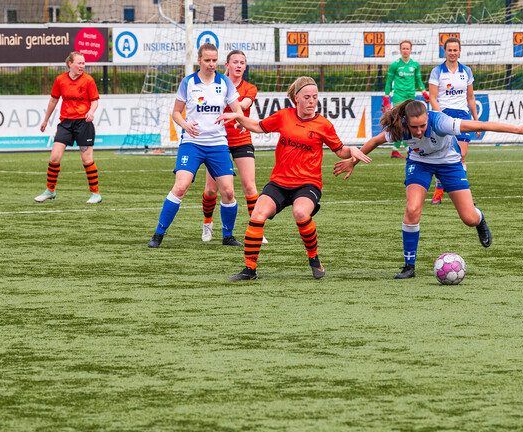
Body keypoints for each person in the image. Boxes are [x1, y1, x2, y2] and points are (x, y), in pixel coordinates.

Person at [333, 99, 523, 279]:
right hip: (420, 163)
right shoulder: (400, 126)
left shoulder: (442, 122)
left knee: (469, 218)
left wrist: (519, 129)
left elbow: (480, 125)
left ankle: (480, 218)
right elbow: (376, 140)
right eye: (414, 127)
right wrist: (353, 161)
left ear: (428, 119)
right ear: (407, 121)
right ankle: (409, 266)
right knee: (412, 209)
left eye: (423, 126)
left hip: (449, 163)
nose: (418, 131)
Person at [218, 76, 371, 281]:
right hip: (279, 182)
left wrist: (352, 150)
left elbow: (340, 151)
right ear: (296, 98)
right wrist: (237, 116)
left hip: (308, 183)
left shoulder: (323, 125)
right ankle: (249, 270)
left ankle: (314, 259)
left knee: (300, 212)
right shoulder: (284, 116)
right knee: (256, 216)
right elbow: (257, 126)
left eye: (315, 97)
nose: (311, 101)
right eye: (307, 97)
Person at [147, 43, 244, 248]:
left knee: (228, 192)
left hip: (217, 144)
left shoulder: (224, 81)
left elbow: (238, 111)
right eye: (207, 60)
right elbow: (175, 112)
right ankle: (158, 234)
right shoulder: (188, 82)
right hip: (192, 143)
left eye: (214, 60)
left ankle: (228, 236)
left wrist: (235, 117)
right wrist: (185, 124)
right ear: (199, 60)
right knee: (181, 186)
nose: (211, 64)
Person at [201, 50, 268, 245]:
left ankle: (256, 228)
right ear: (227, 65)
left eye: (242, 63)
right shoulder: (216, 83)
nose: (239, 66)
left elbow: (243, 104)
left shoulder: (250, 88)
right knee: (211, 190)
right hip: (216, 140)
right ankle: (207, 223)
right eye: (235, 62)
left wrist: (236, 112)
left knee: (249, 186)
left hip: (241, 139)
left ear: (245, 67)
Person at [34, 51, 102, 204]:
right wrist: (45, 120)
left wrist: (91, 111)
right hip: (65, 123)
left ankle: (95, 194)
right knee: (54, 157)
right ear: (70, 64)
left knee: (86, 159)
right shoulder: (60, 80)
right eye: (79, 63)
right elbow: (53, 101)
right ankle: (50, 191)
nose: (82, 66)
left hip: (83, 123)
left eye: (84, 63)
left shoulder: (88, 80)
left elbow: (95, 101)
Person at [428, 37, 478, 205]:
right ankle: (439, 190)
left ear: (459, 51)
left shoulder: (466, 71)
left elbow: (470, 98)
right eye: (450, 50)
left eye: (455, 50)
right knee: (444, 154)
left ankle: (464, 194)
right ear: (445, 51)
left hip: (463, 115)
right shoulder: (437, 71)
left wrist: (476, 120)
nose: (452, 53)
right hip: (445, 113)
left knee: (461, 154)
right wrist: (440, 116)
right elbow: (433, 98)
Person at [383, 40, 428, 159]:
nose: (405, 50)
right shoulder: (395, 64)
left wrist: (424, 93)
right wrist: (386, 98)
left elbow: (419, 81)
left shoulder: (415, 65)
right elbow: (388, 82)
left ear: (411, 50)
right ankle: (397, 149)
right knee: (399, 122)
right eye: (403, 48)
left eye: (407, 48)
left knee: (409, 122)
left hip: (410, 97)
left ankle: (406, 148)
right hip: (398, 96)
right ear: (400, 50)